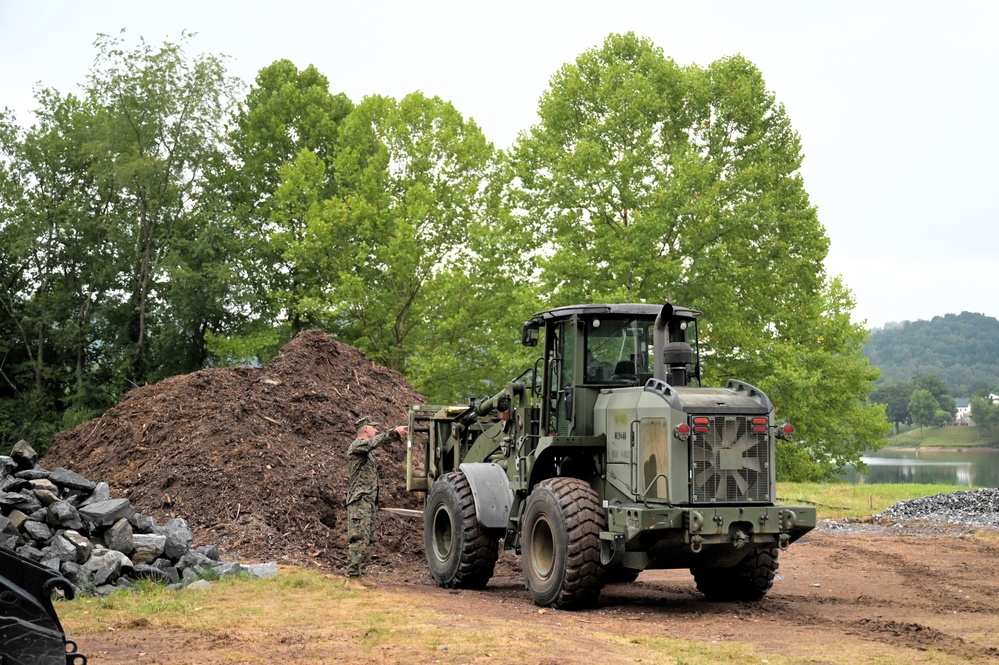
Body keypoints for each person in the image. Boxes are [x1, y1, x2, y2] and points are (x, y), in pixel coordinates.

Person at [344, 416, 408, 590]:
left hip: (369, 501)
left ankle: (361, 575)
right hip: (359, 501)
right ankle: (352, 578)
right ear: (365, 429)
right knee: (359, 538)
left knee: (369, 539)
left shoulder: (366, 451)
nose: (376, 430)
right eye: (373, 428)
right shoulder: (358, 445)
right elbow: (376, 442)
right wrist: (393, 433)